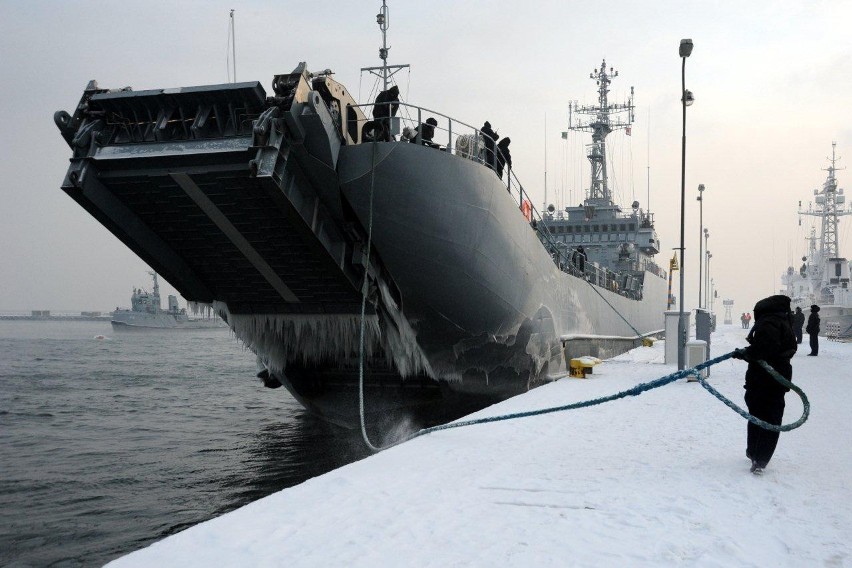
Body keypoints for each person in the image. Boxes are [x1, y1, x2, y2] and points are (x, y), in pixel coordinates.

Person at [731, 294, 797, 474]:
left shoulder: (769, 322)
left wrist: (746, 353)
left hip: (765, 379)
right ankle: (755, 454)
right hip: (772, 378)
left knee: (764, 417)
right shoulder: (781, 320)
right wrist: (748, 352)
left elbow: (764, 348)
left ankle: (759, 458)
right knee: (764, 416)